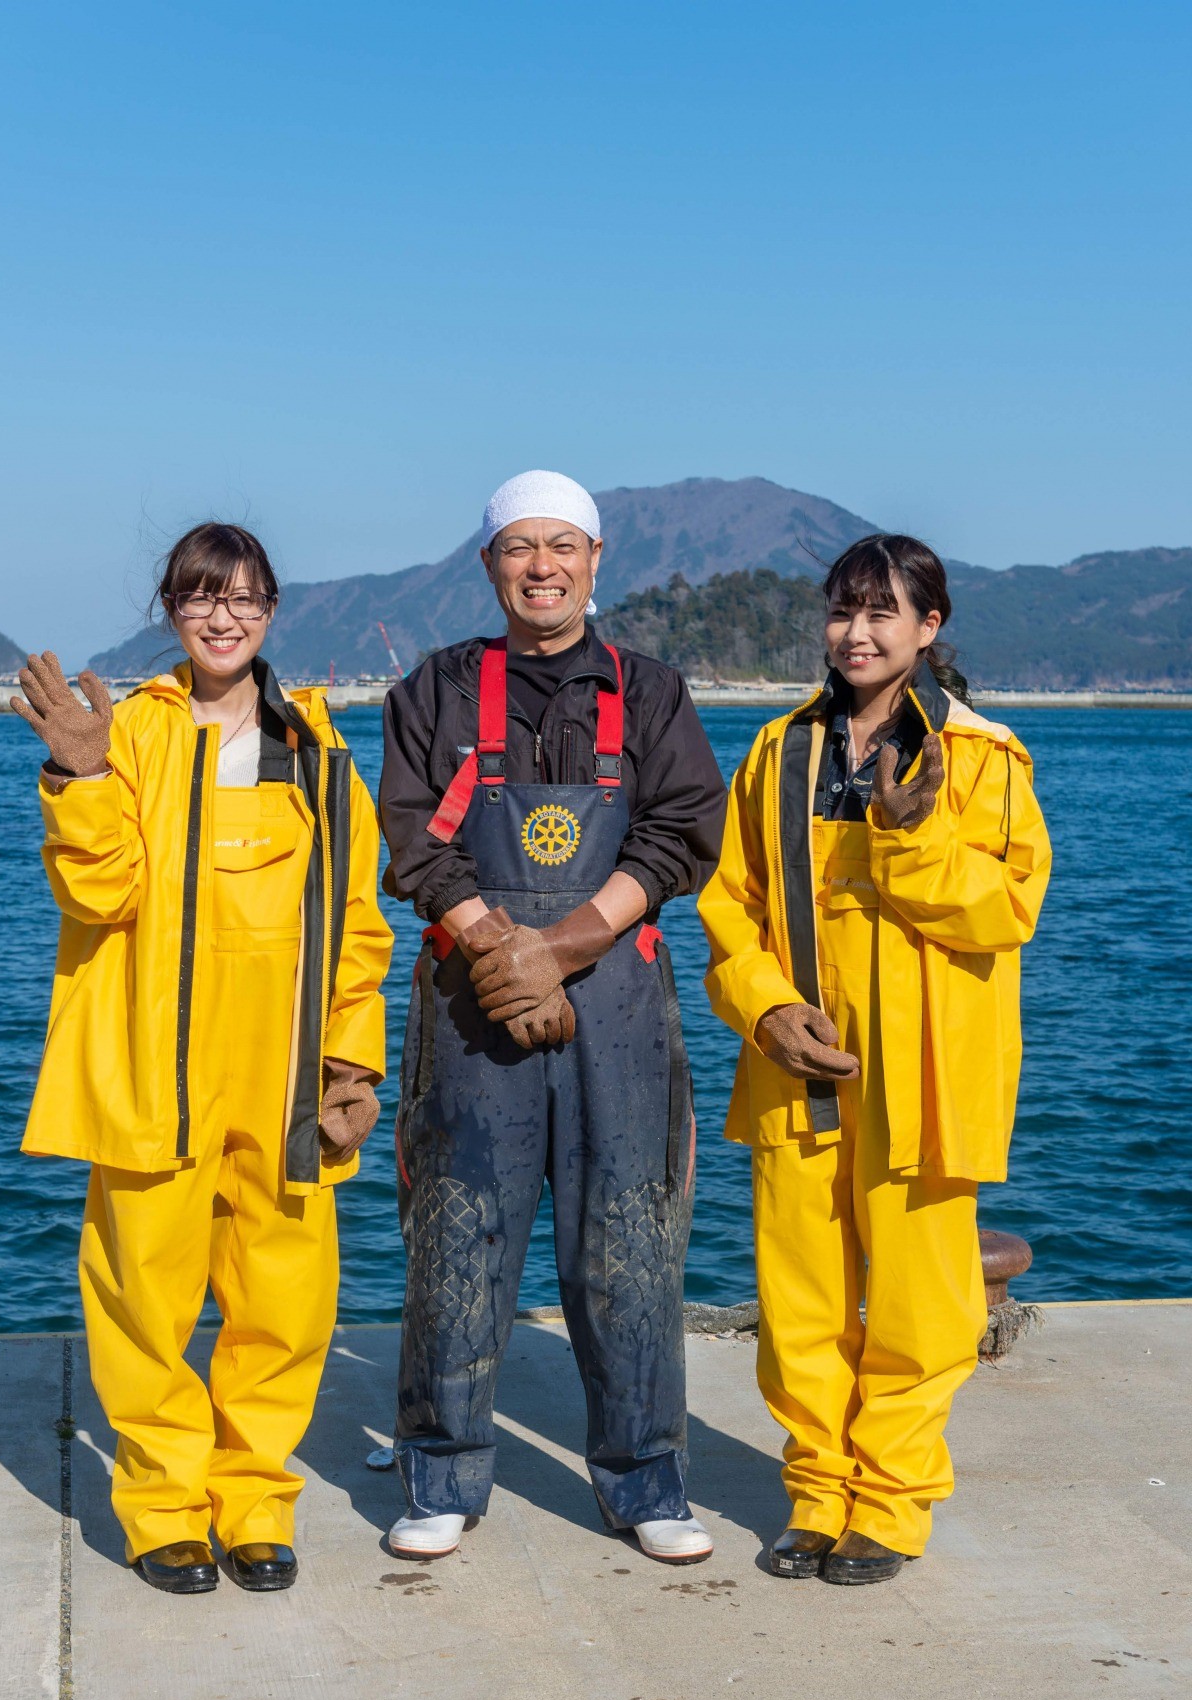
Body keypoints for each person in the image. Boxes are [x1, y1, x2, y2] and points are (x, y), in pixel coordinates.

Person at [13, 522, 393, 1595]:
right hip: (153, 1071)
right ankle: (166, 1508)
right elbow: (98, 895)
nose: (221, 616)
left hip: (281, 1079)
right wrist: (76, 773)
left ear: (272, 611)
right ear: (171, 609)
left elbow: (358, 926)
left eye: (242, 597)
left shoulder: (318, 753)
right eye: (198, 596)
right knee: (142, 1302)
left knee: (285, 1302)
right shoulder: (128, 730)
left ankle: (256, 1502)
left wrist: (351, 1063)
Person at [379, 470, 727, 1563]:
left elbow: (678, 833)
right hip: (471, 999)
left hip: (616, 995)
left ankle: (644, 1480)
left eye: (560, 546)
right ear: (488, 566)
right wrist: (496, 949)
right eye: (518, 547)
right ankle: (441, 1472)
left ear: (594, 557)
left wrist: (563, 946)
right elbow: (409, 838)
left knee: (628, 1240)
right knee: (454, 1232)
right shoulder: (433, 688)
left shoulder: (652, 692)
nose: (540, 566)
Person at [699, 534, 1051, 1585]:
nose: (856, 633)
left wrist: (908, 837)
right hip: (798, 1067)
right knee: (797, 1297)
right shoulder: (777, 752)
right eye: (841, 611)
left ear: (928, 627)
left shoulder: (982, 758)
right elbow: (730, 904)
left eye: (882, 613)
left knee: (915, 1301)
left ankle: (889, 1504)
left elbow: (1003, 910)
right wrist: (762, 1011)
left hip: (925, 1073)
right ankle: (815, 1491)